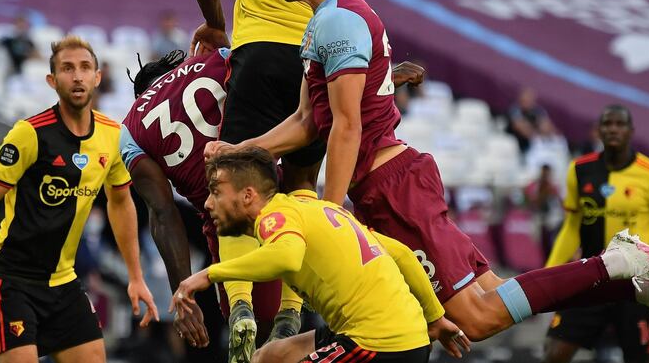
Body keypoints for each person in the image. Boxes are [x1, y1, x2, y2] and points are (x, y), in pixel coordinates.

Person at [206, 0, 649, 350]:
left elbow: (345, 128)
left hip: (391, 192)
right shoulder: (326, 20)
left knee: (475, 319)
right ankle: (627, 277)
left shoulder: (339, 21)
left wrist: (332, 214)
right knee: (488, 301)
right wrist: (242, 149)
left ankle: (617, 264)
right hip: (395, 183)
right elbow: (307, 121)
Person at [188, 0, 374, 356]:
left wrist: (218, 28)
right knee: (299, 189)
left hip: (254, 53)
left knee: (233, 180)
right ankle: (290, 314)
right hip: (315, 57)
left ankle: (240, 302)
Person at [120, 48, 425, 353]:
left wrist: (183, 294)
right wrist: (381, 79)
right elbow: (295, 84)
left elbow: (162, 213)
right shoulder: (215, 57)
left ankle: (244, 310)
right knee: (301, 179)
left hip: (229, 220)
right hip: (282, 199)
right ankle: (290, 313)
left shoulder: (130, 130)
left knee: (256, 330)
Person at [173, 147, 471, 363]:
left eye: (216, 192)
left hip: (378, 344)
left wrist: (207, 275)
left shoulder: (273, 217)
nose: (209, 203)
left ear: (248, 195)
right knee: (270, 356)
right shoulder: (320, 209)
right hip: (400, 338)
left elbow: (286, 256)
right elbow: (402, 254)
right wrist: (436, 318)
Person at [0, 35, 159, 362]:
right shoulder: (29, 134)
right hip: (11, 281)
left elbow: (121, 202)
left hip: (64, 282)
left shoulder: (113, 135)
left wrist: (136, 276)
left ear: (98, 77)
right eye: (67, 69)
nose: (78, 76)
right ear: (52, 81)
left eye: (85, 68)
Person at [542, 105, 649, 362]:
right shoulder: (579, 170)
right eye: (607, 124)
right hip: (589, 279)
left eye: (619, 124)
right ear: (599, 131)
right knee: (554, 352)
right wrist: (549, 273)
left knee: (641, 358)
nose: (613, 129)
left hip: (637, 285)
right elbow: (572, 226)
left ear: (631, 131)